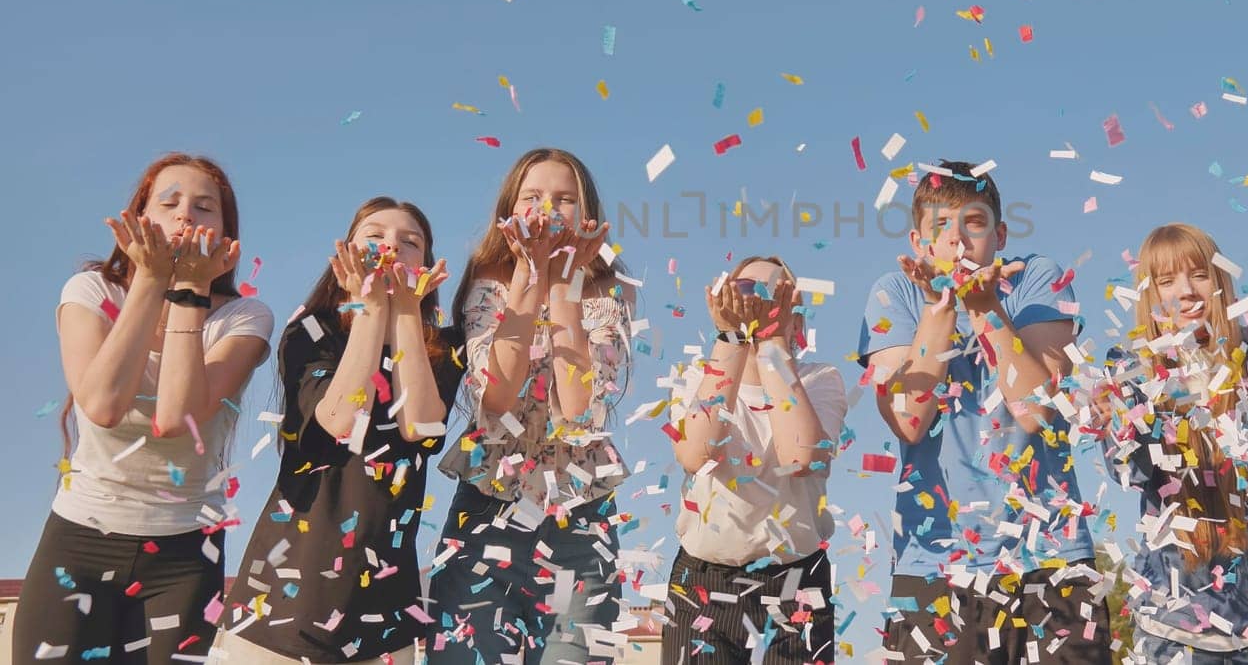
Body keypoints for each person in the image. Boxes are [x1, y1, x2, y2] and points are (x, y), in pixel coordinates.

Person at [15, 153, 274, 662]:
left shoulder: (246, 317)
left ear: (226, 233)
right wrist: (151, 279)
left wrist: (191, 287)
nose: (186, 216)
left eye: (205, 208)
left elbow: (176, 418)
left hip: (184, 553)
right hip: (80, 539)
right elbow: (103, 404)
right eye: (169, 202)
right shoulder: (90, 291)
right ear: (139, 217)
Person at [856, 159, 1111, 664]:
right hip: (934, 567)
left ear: (1000, 234)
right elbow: (909, 418)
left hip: (1050, 561)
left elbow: (1035, 410)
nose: (958, 241)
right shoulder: (895, 292)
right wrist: (942, 307)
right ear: (918, 241)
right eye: (940, 227)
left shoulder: (1037, 277)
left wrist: (983, 307)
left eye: (973, 224)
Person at [209, 198, 463, 664]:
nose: (391, 246)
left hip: (384, 621)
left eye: (410, 243)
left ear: (427, 267)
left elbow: (421, 425)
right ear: (345, 252)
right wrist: (369, 311)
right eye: (375, 235)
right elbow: (340, 420)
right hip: (280, 606)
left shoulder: (443, 353)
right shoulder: (311, 333)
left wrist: (405, 310)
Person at [428, 148, 636, 664]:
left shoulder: (608, 295)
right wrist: (530, 278)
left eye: (564, 199)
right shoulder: (486, 288)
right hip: (487, 508)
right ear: (510, 212)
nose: (549, 209)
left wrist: (565, 282)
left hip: (579, 522)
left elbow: (581, 410)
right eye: (534, 196)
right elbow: (494, 399)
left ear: (585, 215)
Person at [1090, 224, 1248, 665]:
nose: (1186, 291)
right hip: (1174, 627)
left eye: (1198, 274)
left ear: (1220, 282)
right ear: (1149, 297)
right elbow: (1128, 471)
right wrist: (1127, 424)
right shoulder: (1128, 372)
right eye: (1167, 280)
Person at [662, 256, 847, 665]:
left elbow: (799, 457)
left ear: (797, 323)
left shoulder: (820, 380)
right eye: (745, 292)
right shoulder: (696, 376)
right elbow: (696, 454)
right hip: (702, 582)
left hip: (796, 583)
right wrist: (732, 338)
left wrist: (773, 344)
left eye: (772, 296)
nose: (756, 306)